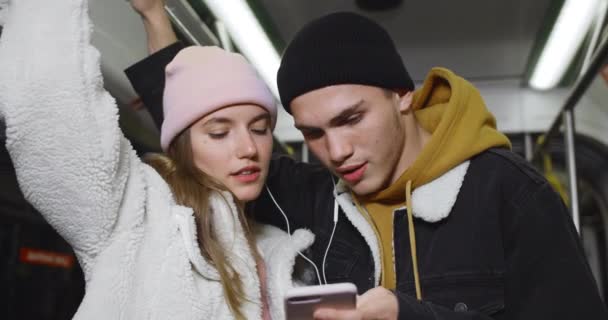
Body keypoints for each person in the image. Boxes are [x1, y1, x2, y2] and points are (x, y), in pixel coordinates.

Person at [126, 3, 608, 320]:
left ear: (402, 96)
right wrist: (154, 16)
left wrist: (409, 316)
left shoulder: (508, 195)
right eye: (313, 134)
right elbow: (204, 134)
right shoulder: (314, 199)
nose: (337, 152)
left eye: (352, 119)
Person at [0, 0, 316, 319]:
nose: (249, 147)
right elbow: (46, 102)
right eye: (220, 133)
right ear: (181, 145)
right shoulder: (138, 218)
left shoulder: (280, 250)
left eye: (260, 129)